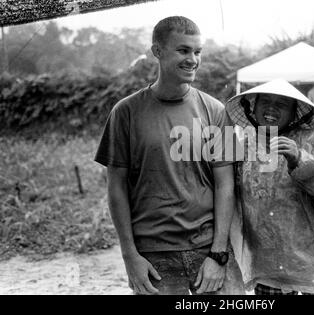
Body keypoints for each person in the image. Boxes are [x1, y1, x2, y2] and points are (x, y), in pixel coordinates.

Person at [94, 16, 244, 295]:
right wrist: (130, 257)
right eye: (183, 50)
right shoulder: (125, 113)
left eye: (197, 52)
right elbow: (116, 188)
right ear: (157, 51)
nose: (193, 60)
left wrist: (219, 255)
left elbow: (226, 185)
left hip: (208, 249)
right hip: (153, 255)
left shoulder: (216, 111)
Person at [227, 79, 314, 295]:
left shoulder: (311, 139)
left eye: (281, 104)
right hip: (268, 265)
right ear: (253, 107)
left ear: (293, 113)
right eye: (265, 101)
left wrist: (300, 158)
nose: (271, 108)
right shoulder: (244, 144)